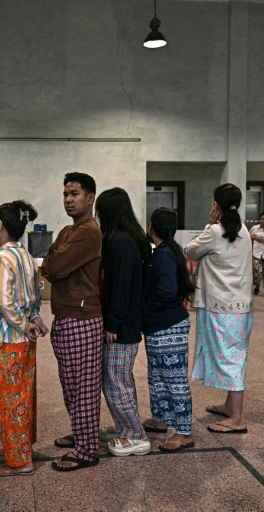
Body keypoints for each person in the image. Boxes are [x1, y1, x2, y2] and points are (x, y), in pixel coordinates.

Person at [0, 200, 49, 477]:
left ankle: (19, 460)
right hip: (22, 339)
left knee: (9, 399)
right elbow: (34, 296)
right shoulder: (26, 256)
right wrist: (33, 319)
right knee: (22, 396)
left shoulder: (1, 258)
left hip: (5, 340)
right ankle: (20, 447)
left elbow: (6, 302)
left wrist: (22, 323)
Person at [42, 172, 104, 472]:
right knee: (71, 385)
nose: (68, 199)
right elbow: (48, 264)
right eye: (66, 194)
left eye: (74, 194)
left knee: (83, 388)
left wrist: (54, 263)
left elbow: (55, 265)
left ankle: (87, 449)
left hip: (82, 318)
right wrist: (54, 262)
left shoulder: (89, 232)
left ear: (90, 198)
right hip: (66, 316)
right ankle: (82, 435)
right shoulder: (69, 230)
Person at [186, 183, 254, 434]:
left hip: (221, 307)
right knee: (234, 354)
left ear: (216, 205)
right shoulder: (244, 230)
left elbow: (190, 251)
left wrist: (209, 224)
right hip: (241, 307)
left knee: (230, 360)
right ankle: (229, 406)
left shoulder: (214, 231)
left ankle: (237, 418)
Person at [94, 188, 152, 456]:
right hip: (123, 323)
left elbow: (121, 286)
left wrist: (113, 323)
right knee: (118, 380)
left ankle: (135, 435)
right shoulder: (125, 239)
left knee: (116, 381)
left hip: (122, 326)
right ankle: (125, 427)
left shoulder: (122, 241)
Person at [141, 208, 197, 451]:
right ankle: (161, 419)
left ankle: (184, 432)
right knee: (157, 378)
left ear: (152, 226)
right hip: (159, 325)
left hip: (168, 326)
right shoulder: (165, 251)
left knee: (174, 380)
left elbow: (166, 291)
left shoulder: (164, 255)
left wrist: (145, 308)